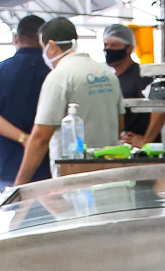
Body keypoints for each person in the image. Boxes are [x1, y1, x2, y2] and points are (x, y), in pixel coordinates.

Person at [13, 17, 122, 187]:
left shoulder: (59, 77)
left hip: (73, 178)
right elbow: (119, 124)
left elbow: (41, 137)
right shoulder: (107, 73)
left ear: (52, 46)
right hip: (109, 174)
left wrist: (18, 187)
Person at [0, 14, 50, 191]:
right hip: (48, 164)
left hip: (9, 162)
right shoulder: (53, 71)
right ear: (44, 39)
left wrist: (24, 139)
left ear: (16, 38)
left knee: (14, 213)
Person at [101, 25, 165, 147]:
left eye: (114, 45)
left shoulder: (141, 76)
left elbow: (160, 108)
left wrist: (146, 141)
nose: (108, 49)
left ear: (129, 48)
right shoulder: (113, 79)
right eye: (106, 45)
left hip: (142, 152)